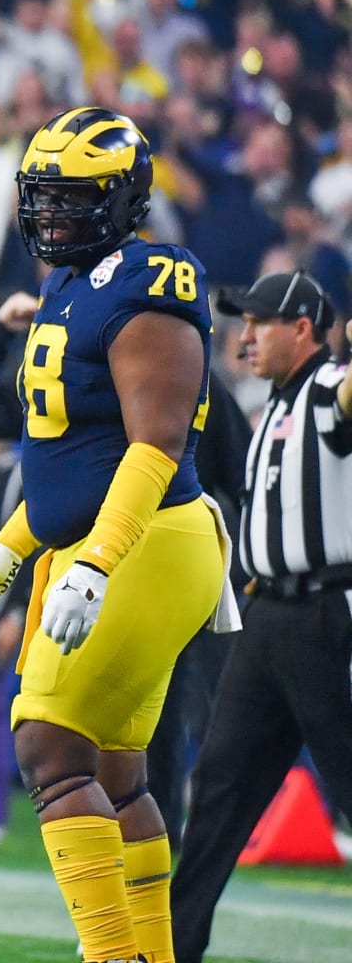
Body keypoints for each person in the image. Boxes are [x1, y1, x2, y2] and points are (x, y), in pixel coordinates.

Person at [0, 108, 228, 963]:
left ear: (125, 200)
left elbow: (155, 445)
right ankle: (150, 956)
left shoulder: (150, 278)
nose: (51, 217)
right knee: (118, 775)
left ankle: (114, 957)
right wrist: (8, 553)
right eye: (43, 198)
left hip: (147, 539)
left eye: (74, 200)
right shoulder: (71, 282)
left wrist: (94, 567)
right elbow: (67, 461)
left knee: (48, 744)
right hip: (116, 542)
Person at [172, 271, 352, 963]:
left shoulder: (328, 387)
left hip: (322, 615)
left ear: (302, 328)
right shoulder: (273, 404)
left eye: (260, 323)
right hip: (265, 617)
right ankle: (171, 947)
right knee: (218, 791)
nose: (244, 337)